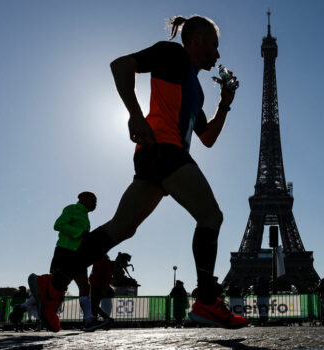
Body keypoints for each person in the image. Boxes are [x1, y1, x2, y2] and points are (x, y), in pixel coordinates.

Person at [29, 14, 248, 331]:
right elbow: (120, 65)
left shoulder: (196, 92)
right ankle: (207, 302)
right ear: (197, 39)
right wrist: (134, 115)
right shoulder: (173, 54)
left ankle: (53, 286)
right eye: (214, 45)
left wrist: (225, 105)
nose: (217, 54)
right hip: (164, 151)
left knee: (120, 229)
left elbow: (208, 139)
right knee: (211, 216)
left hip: (154, 157)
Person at [11, 192, 97, 331]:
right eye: (93, 200)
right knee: (55, 286)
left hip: (78, 254)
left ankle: (88, 320)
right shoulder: (71, 209)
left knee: (85, 286)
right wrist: (80, 233)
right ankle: (23, 307)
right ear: (83, 199)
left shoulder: (86, 216)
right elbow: (58, 225)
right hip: (64, 251)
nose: (95, 204)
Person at [85, 254, 114, 331]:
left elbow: (107, 276)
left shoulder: (104, 261)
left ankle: (105, 319)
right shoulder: (99, 260)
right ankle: (98, 322)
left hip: (98, 286)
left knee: (93, 305)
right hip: (95, 286)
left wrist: (104, 287)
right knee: (94, 305)